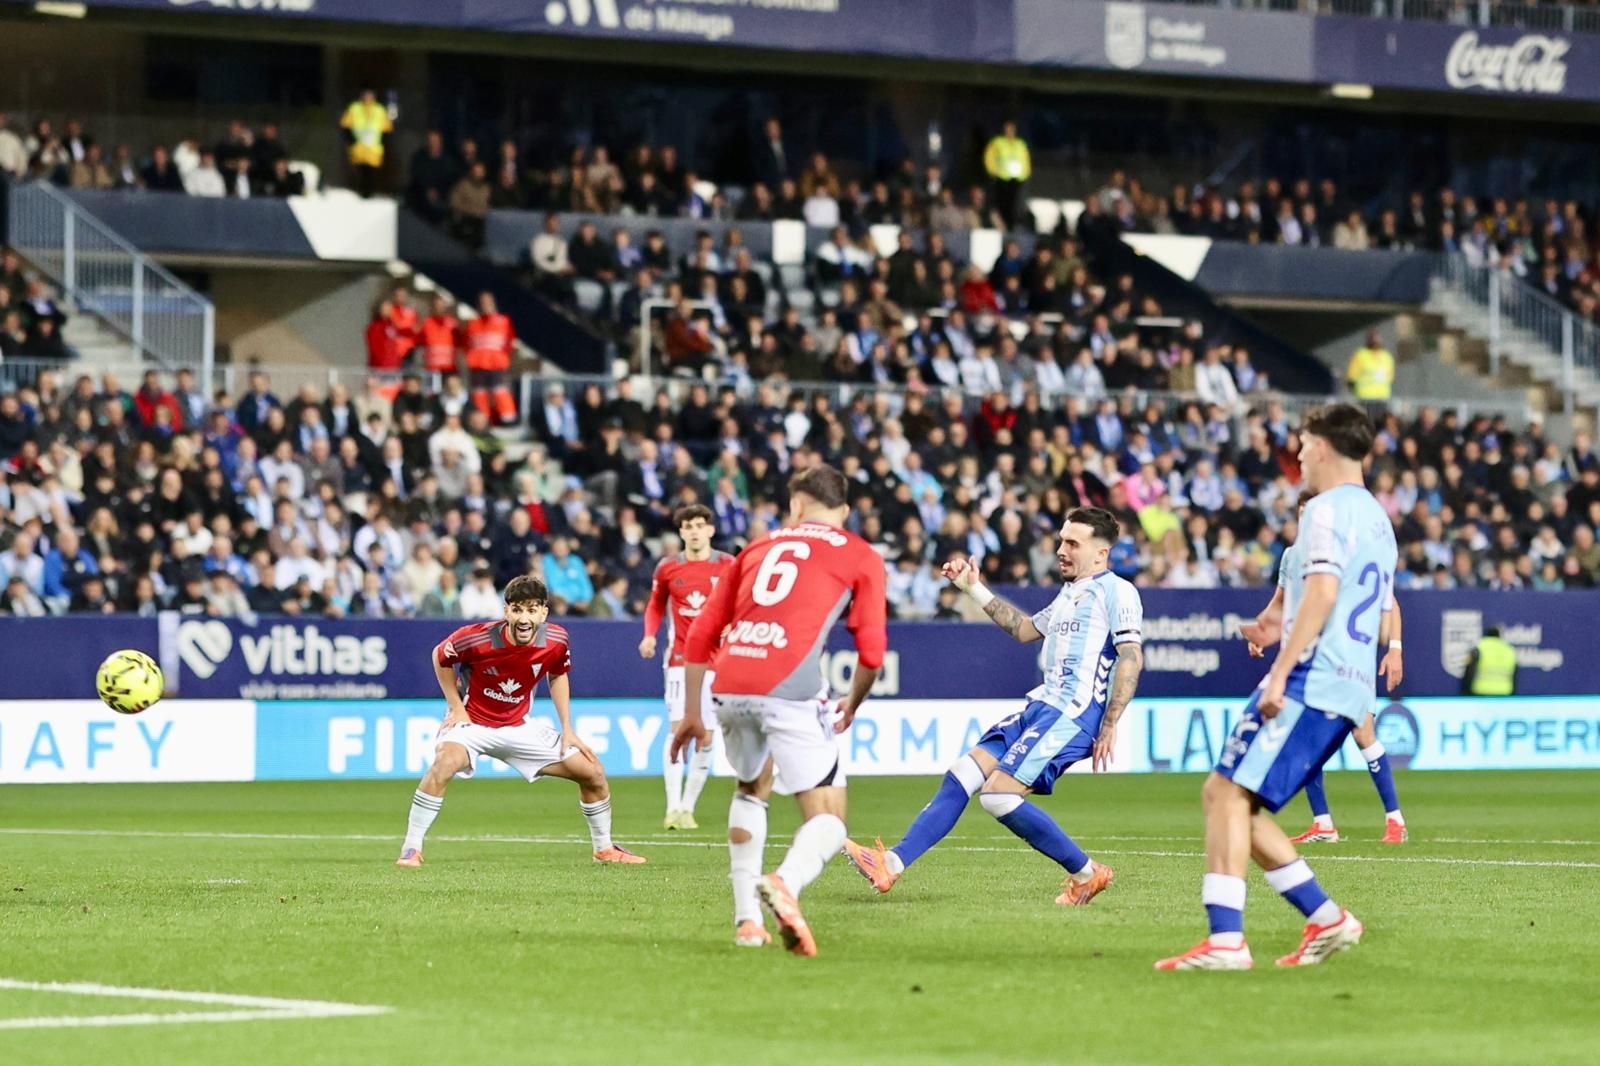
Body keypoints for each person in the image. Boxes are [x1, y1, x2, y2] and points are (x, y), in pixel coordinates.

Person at [1157, 404, 1394, 971]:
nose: (1298, 457)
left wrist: (1281, 671)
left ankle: (1227, 941)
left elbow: (1324, 594)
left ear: (1326, 447)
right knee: (1236, 801)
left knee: (1224, 794)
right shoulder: (1377, 518)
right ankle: (1324, 917)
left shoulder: (1325, 510)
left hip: (1313, 678)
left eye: (1304, 445)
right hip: (1350, 685)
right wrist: (1272, 626)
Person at [843, 507, 1141, 907]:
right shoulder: (1069, 594)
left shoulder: (1118, 592)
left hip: (1073, 713)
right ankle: (890, 864)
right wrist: (974, 588)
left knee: (998, 795)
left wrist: (1110, 723)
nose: (1061, 550)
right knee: (962, 774)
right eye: (1061, 541)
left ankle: (1088, 873)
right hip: (1042, 705)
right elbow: (1024, 629)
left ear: (1101, 553)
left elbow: (1131, 656)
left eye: (1073, 543)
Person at [670, 464, 886, 955]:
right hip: (789, 690)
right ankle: (785, 883)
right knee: (829, 819)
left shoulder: (756, 547)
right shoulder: (859, 553)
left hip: (729, 682)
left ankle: (748, 922)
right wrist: (852, 702)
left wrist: (692, 712)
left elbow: (701, 634)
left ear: (796, 505)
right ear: (844, 510)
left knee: (751, 788)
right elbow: (872, 654)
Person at [395, 575, 647, 867]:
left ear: (543, 613)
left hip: (518, 726)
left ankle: (604, 849)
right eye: (517, 610)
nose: (524, 618)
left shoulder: (556, 640)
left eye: (531, 610)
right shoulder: (476, 638)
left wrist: (567, 727)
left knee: (593, 772)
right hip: (472, 724)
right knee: (444, 763)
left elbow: (557, 674)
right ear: (506, 611)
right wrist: (455, 706)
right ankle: (411, 848)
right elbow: (440, 657)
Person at [1241, 492, 1409, 845]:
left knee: (1363, 734)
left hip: (1349, 659)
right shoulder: (1292, 556)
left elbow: (1389, 601)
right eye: (1303, 513)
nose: (1308, 520)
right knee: (1305, 740)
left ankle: (1395, 820)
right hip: (1309, 662)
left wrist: (1394, 649)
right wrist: (1261, 631)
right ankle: (1323, 824)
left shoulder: (1347, 551)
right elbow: (1280, 603)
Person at [640, 504, 736, 830]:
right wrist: (649, 635)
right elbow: (655, 606)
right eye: (688, 526)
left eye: (699, 525)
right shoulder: (668, 567)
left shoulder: (728, 565)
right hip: (680, 660)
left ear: (710, 530)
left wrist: (734, 624)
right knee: (678, 728)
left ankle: (687, 808)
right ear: (681, 532)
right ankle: (672, 807)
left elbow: (742, 602)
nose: (694, 531)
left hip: (717, 661)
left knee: (706, 735)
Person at [463, 291, 516, 424]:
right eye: (482, 302)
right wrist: (471, 357)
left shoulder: (504, 321)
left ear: (493, 303)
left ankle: (508, 420)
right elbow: (466, 343)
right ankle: (482, 421)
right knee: (479, 394)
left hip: (496, 365)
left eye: (488, 302)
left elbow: (509, 342)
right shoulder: (472, 323)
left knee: (500, 391)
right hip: (477, 365)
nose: (485, 305)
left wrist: (502, 358)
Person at [341, 89, 392, 198]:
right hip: (359, 148)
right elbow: (345, 127)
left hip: (373, 149)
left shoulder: (380, 110)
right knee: (359, 173)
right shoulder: (354, 108)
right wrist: (352, 142)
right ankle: (359, 193)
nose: (368, 97)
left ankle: (369, 193)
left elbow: (387, 130)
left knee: (371, 174)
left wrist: (383, 143)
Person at [983, 120, 1030, 231]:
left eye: (1012, 129)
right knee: (1001, 204)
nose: (1010, 131)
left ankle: (1012, 227)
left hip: (1016, 180)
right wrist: (993, 171)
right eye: (1008, 129)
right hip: (1002, 179)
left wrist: (1025, 174)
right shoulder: (998, 142)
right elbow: (989, 157)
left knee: (1014, 205)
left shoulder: (1020, 144)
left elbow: (1025, 159)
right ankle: (1002, 226)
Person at [1460, 625, 1517, 696]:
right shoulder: (1509, 650)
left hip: (1481, 691)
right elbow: (1515, 674)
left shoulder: (1479, 648)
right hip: (1504, 692)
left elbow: (1470, 671)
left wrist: (1466, 691)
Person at [1346, 329, 1394, 405]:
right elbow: (1351, 378)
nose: (1376, 342)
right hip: (1364, 398)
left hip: (1382, 399)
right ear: (1368, 340)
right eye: (1373, 339)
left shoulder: (1387, 357)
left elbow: (1390, 378)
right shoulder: (1360, 355)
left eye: (1377, 339)